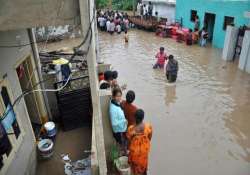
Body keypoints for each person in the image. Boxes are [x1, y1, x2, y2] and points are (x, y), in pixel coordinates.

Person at [127, 109, 153, 175]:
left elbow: (129, 140)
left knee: (135, 169)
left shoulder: (131, 129)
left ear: (135, 117)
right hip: (144, 152)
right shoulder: (148, 127)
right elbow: (149, 138)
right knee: (143, 165)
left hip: (134, 154)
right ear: (143, 118)